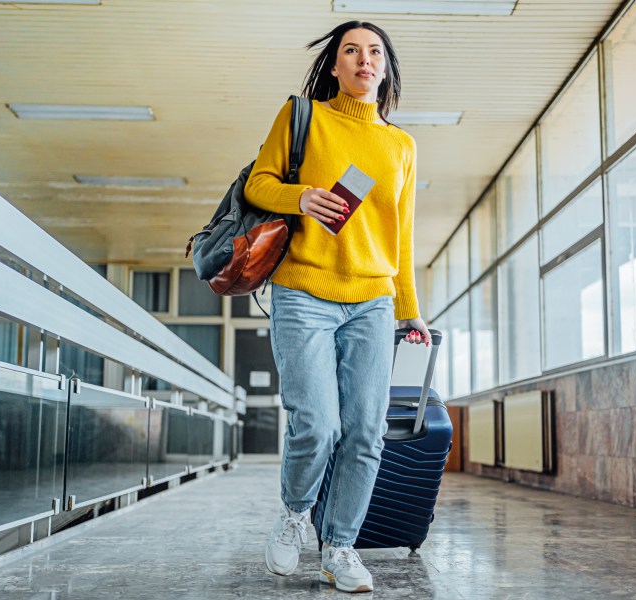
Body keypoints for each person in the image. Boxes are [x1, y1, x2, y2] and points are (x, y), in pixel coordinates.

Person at [244, 20, 430, 593]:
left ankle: (340, 547)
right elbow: (257, 184)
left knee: (365, 432)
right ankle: (296, 514)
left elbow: (401, 235)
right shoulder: (304, 116)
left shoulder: (400, 145)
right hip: (303, 290)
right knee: (318, 425)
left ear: (386, 67)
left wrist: (410, 307)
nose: (364, 59)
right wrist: (300, 196)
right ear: (335, 64)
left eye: (375, 52)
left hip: (372, 300)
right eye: (351, 50)